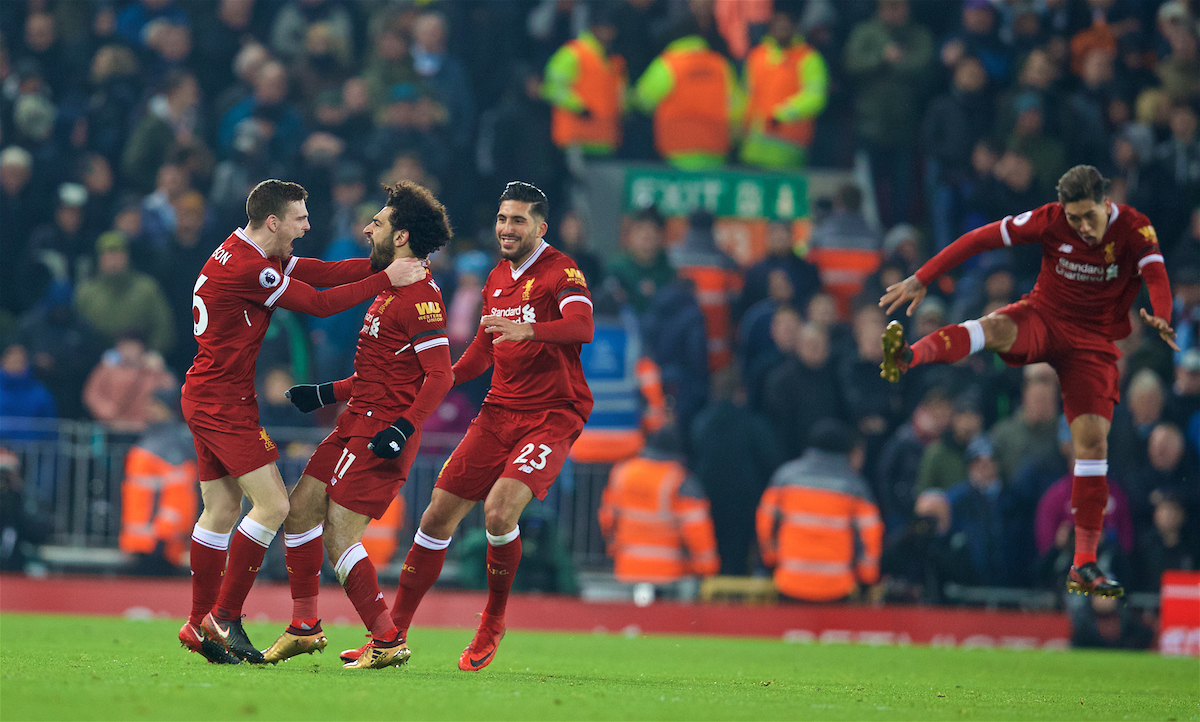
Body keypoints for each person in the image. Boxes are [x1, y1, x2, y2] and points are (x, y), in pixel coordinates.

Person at [880, 164, 1176, 598]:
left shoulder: (1134, 226)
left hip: (1091, 344)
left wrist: (1163, 314)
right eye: (1073, 218)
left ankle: (1084, 563)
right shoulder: (1049, 219)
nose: (1080, 226)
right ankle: (909, 356)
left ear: (1106, 202)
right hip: (1045, 317)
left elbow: (1155, 274)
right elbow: (978, 238)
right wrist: (923, 277)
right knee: (996, 326)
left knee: (1092, 444)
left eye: (1088, 216)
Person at [340, 181, 593, 672]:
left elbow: (582, 327)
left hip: (552, 414)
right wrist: (438, 380)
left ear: (541, 227)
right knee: (435, 517)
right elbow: (482, 350)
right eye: (502, 219)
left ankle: (493, 619)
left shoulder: (561, 271)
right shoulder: (496, 277)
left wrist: (531, 329)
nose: (506, 228)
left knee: (499, 513)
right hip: (499, 410)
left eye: (518, 220)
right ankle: (391, 634)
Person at [178, 180, 423, 665]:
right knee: (273, 505)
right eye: (300, 218)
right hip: (224, 403)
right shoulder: (252, 268)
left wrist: (379, 265)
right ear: (274, 221)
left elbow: (322, 272)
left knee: (221, 509)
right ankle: (223, 618)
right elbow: (319, 303)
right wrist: (386, 279)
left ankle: (196, 621)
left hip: (206, 392)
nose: (308, 225)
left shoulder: (241, 250)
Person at [262, 181, 453, 669]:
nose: (369, 228)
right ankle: (304, 625)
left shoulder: (421, 300)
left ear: (402, 236)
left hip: (381, 434)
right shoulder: (391, 288)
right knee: (300, 508)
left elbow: (441, 375)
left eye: (380, 221)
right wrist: (324, 393)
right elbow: (377, 375)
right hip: (355, 423)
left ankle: (387, 639)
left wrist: (404, 429)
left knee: (341, 537)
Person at [756, 419, 883, 602]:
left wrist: (771, 559)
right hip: (837, 587)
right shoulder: (855, 486)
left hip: (791, 582)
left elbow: (765, 523)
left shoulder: (786, 477)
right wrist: (866, 577)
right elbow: (870, 534)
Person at [598, 426, 719, 590]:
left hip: (627, 567)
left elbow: (608, 518)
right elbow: (696, 528)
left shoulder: (623, 472)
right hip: (668, 572)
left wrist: (614, 548)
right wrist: (707, 567)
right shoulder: (680, 480)